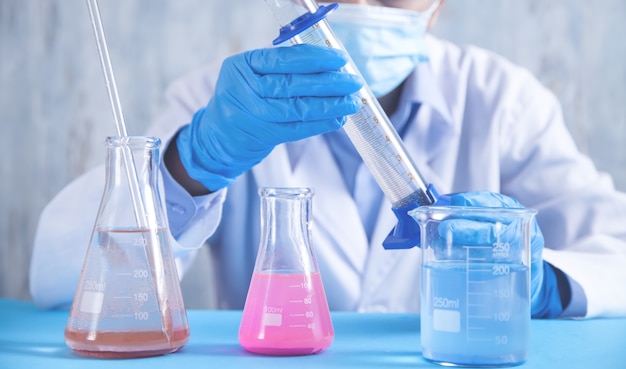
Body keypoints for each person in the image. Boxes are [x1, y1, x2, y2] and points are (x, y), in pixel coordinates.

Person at [30, 0, 626, 318]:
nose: (359, 6)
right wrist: (193, 162)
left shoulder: (502, 99)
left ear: (438, 6)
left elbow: (618, 252)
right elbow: (63, 286)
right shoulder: (222, 101)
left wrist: (546, 283)